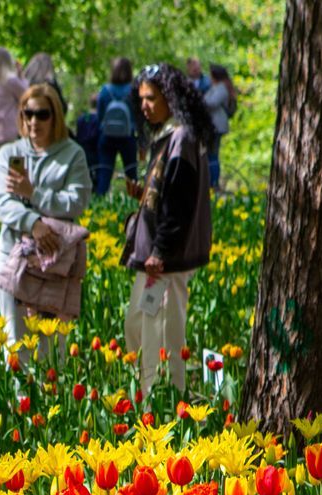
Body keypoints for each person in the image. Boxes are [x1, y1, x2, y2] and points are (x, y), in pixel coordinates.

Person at [120, 64, 213, 397]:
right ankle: (151, 397)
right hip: (157, 258)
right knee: (141, 325)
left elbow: (180, 202)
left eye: (151, 98)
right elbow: (167, 193)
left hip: (167, 261)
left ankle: (166, 404)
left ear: (170, 98)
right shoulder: (169, 136)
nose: (144, 105)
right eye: (141, 98)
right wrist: (142, 193)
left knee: (163, 336)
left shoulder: (182, 138)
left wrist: (160, 250)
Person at [0, 82, 89, 351]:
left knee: (51, 347)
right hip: (14, 256)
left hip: (54, 262)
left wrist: (34, 193)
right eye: (27, 113)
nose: (34, 121)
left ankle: (49, 394)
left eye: (42, 114)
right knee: (16, 342)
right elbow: (1, 201)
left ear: (55, 115)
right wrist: (33, 224)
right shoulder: (10, 154)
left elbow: (77, 202)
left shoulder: (72, 155)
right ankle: (19, 395)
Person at [92, 57, 138, 196]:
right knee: (131, 174)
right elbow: (138, 115)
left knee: (104, 172)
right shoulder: (133, 90)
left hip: (107, 137)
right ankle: (136, 202)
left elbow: (99, 116)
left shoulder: (105, 90)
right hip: (128, 137)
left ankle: (100, 201)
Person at [201, 64, 235, 193]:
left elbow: (213, 103)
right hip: (212, 126)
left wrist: (200, 101)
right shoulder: (216, 87)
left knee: (213, 155)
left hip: (216, 126)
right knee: (210, 154)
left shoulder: (221, 88)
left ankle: (213, 183)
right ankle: (210, 182)